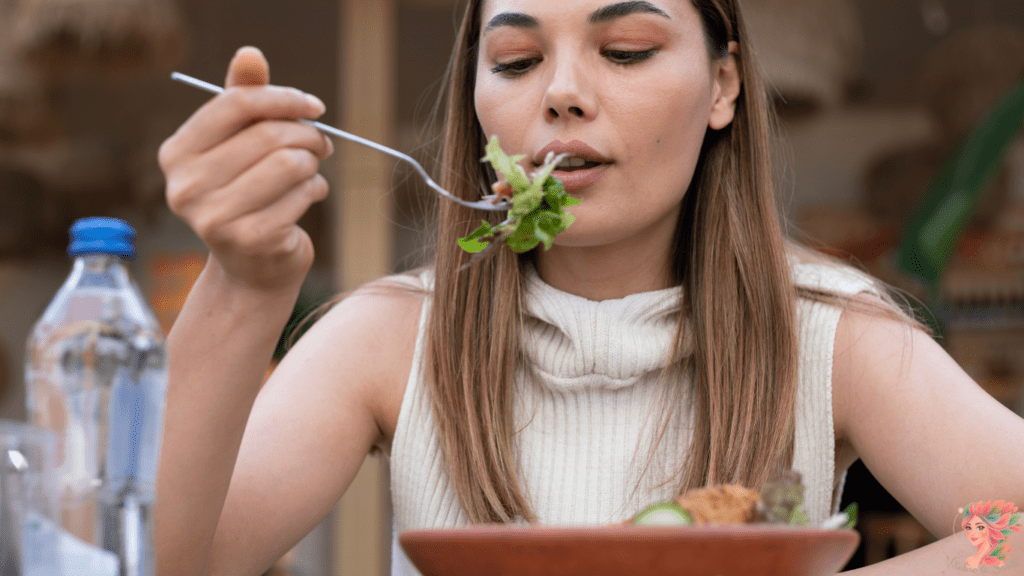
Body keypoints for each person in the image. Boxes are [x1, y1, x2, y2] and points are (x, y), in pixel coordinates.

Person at [153, 1, 1024, 575]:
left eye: (626, 50)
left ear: (722, 85)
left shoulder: (832, 331)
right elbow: (179, 561)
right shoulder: (389, 336)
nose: (563, 93)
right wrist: (243, 285)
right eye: (517, 60)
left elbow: (1012, 526)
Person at [960, 501, 1022, 569]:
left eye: (980, 527)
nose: (973, 533)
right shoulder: (971, 558)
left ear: (990, 528)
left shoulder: (997, 561)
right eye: (968, 528)